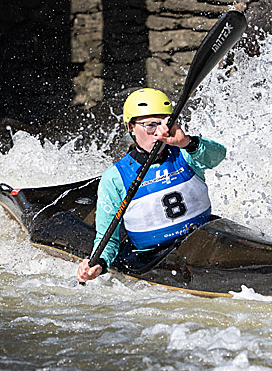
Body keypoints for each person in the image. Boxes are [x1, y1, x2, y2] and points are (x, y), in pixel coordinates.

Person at [76, 87, 226, 283]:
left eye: (165, 123)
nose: (159, 132)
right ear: (131, 128)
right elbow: (108, 239)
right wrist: (100, 264)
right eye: (150, 126)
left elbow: (218, 156)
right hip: (151, 259)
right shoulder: (115, 178)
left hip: (202, 245)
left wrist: (186, 142)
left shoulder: (185, 153)